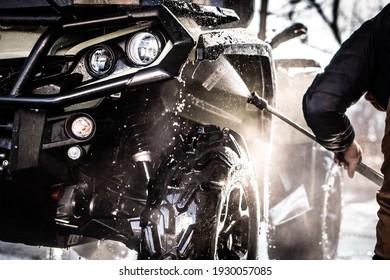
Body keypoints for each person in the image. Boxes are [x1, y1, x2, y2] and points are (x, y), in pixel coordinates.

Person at [302, 3, 390, 260]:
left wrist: (345, 144)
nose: (375, 104)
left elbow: (321, 105)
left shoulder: (378, 34)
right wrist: (345, 142)